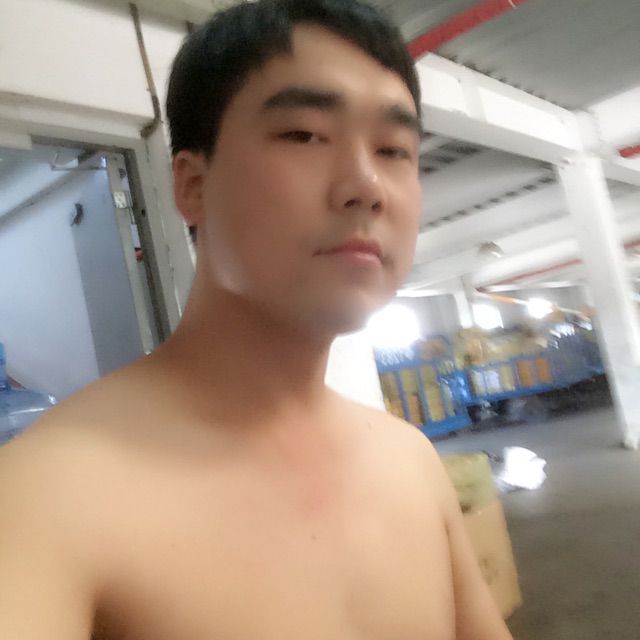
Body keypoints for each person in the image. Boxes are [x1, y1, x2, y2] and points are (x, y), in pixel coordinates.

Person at [0, 1, 513, 638]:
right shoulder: (45, 499)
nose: (366, 185)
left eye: (393, 149)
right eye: (304, 135)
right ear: (192, 185)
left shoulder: (410, 462)